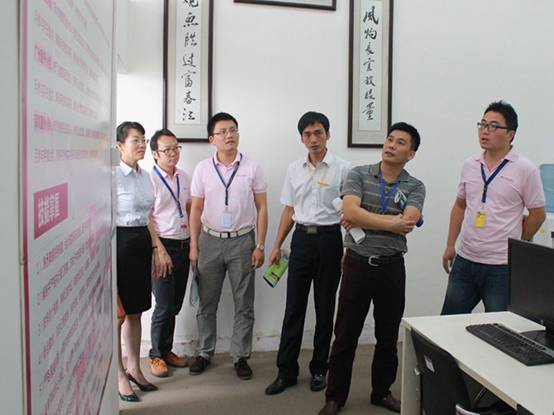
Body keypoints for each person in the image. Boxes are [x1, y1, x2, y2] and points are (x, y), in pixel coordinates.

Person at [319, 122, 425, 414]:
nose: (391, 145)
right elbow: (350, 211)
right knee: (345, 335)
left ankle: (381, 392)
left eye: (400, 142)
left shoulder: (415, 186)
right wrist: (391, 222)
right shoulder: (358, 174)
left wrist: (365, 217)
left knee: (388, 337)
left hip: (392, 269)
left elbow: (409, 221)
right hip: (357, 265)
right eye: (390, 139)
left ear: (411, 153)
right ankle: (334, 397)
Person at [264, 112, 350, 396]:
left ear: (328, 135)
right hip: (301, 240)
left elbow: (350, 212)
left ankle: (319, 369)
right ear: (302, 138)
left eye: (318, 133)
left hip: (330, 241)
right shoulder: (294, 169)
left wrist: (347, 249)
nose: (313, 139)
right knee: (294, 308)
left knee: (325, 308)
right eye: (308, 134)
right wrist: (276, 245)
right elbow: (289, 209)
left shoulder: (343, 168)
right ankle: (286, 371)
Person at [441, 101, 546, 315]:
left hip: (501, 267)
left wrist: (515, 242)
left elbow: (538, 214)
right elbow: (460, 206)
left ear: (510, 134)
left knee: (499, 327)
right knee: (448, 323)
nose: (485, 131)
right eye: (482, 124)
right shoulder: (470, 164)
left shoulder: (525, 169)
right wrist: (450, 244)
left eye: (493, 126)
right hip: (465, 260)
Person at [188, 112, 268, 380]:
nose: (229, 135)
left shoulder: (252, 167)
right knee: (206, 302)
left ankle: (240, 356)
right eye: (222, 131)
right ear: (212, 139)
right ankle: (204, 352)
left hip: (243, 242)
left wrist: (260, 245)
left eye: (233, 129)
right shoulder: (202, 169)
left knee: (244, 303)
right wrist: (194, 246)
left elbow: (262, 207)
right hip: (209, 241)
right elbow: (195, 208)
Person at [115, 121, 170, 402]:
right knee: (117, 315)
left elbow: (148, 216)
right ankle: (119, 374)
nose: (141, 145)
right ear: (120, 145)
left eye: (143, 140)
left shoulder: (145, 175)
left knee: (136, 311)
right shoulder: (111, 176)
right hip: (118, 244)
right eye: (135, 140)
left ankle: (135, 368)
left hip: (140, 243)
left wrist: (156, 247)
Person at [148, 128, 192, 377]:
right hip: (162, 246)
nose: (173, 153)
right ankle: (155, 355)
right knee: (163, 305)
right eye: (167, 150)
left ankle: (166, 351)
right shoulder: (150, 180)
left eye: (176, 148)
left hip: (184, 245)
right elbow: (147, 218)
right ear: (155, 154)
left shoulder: (184, 177)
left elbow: (189, 209)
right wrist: (158, 249)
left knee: (174, 304)